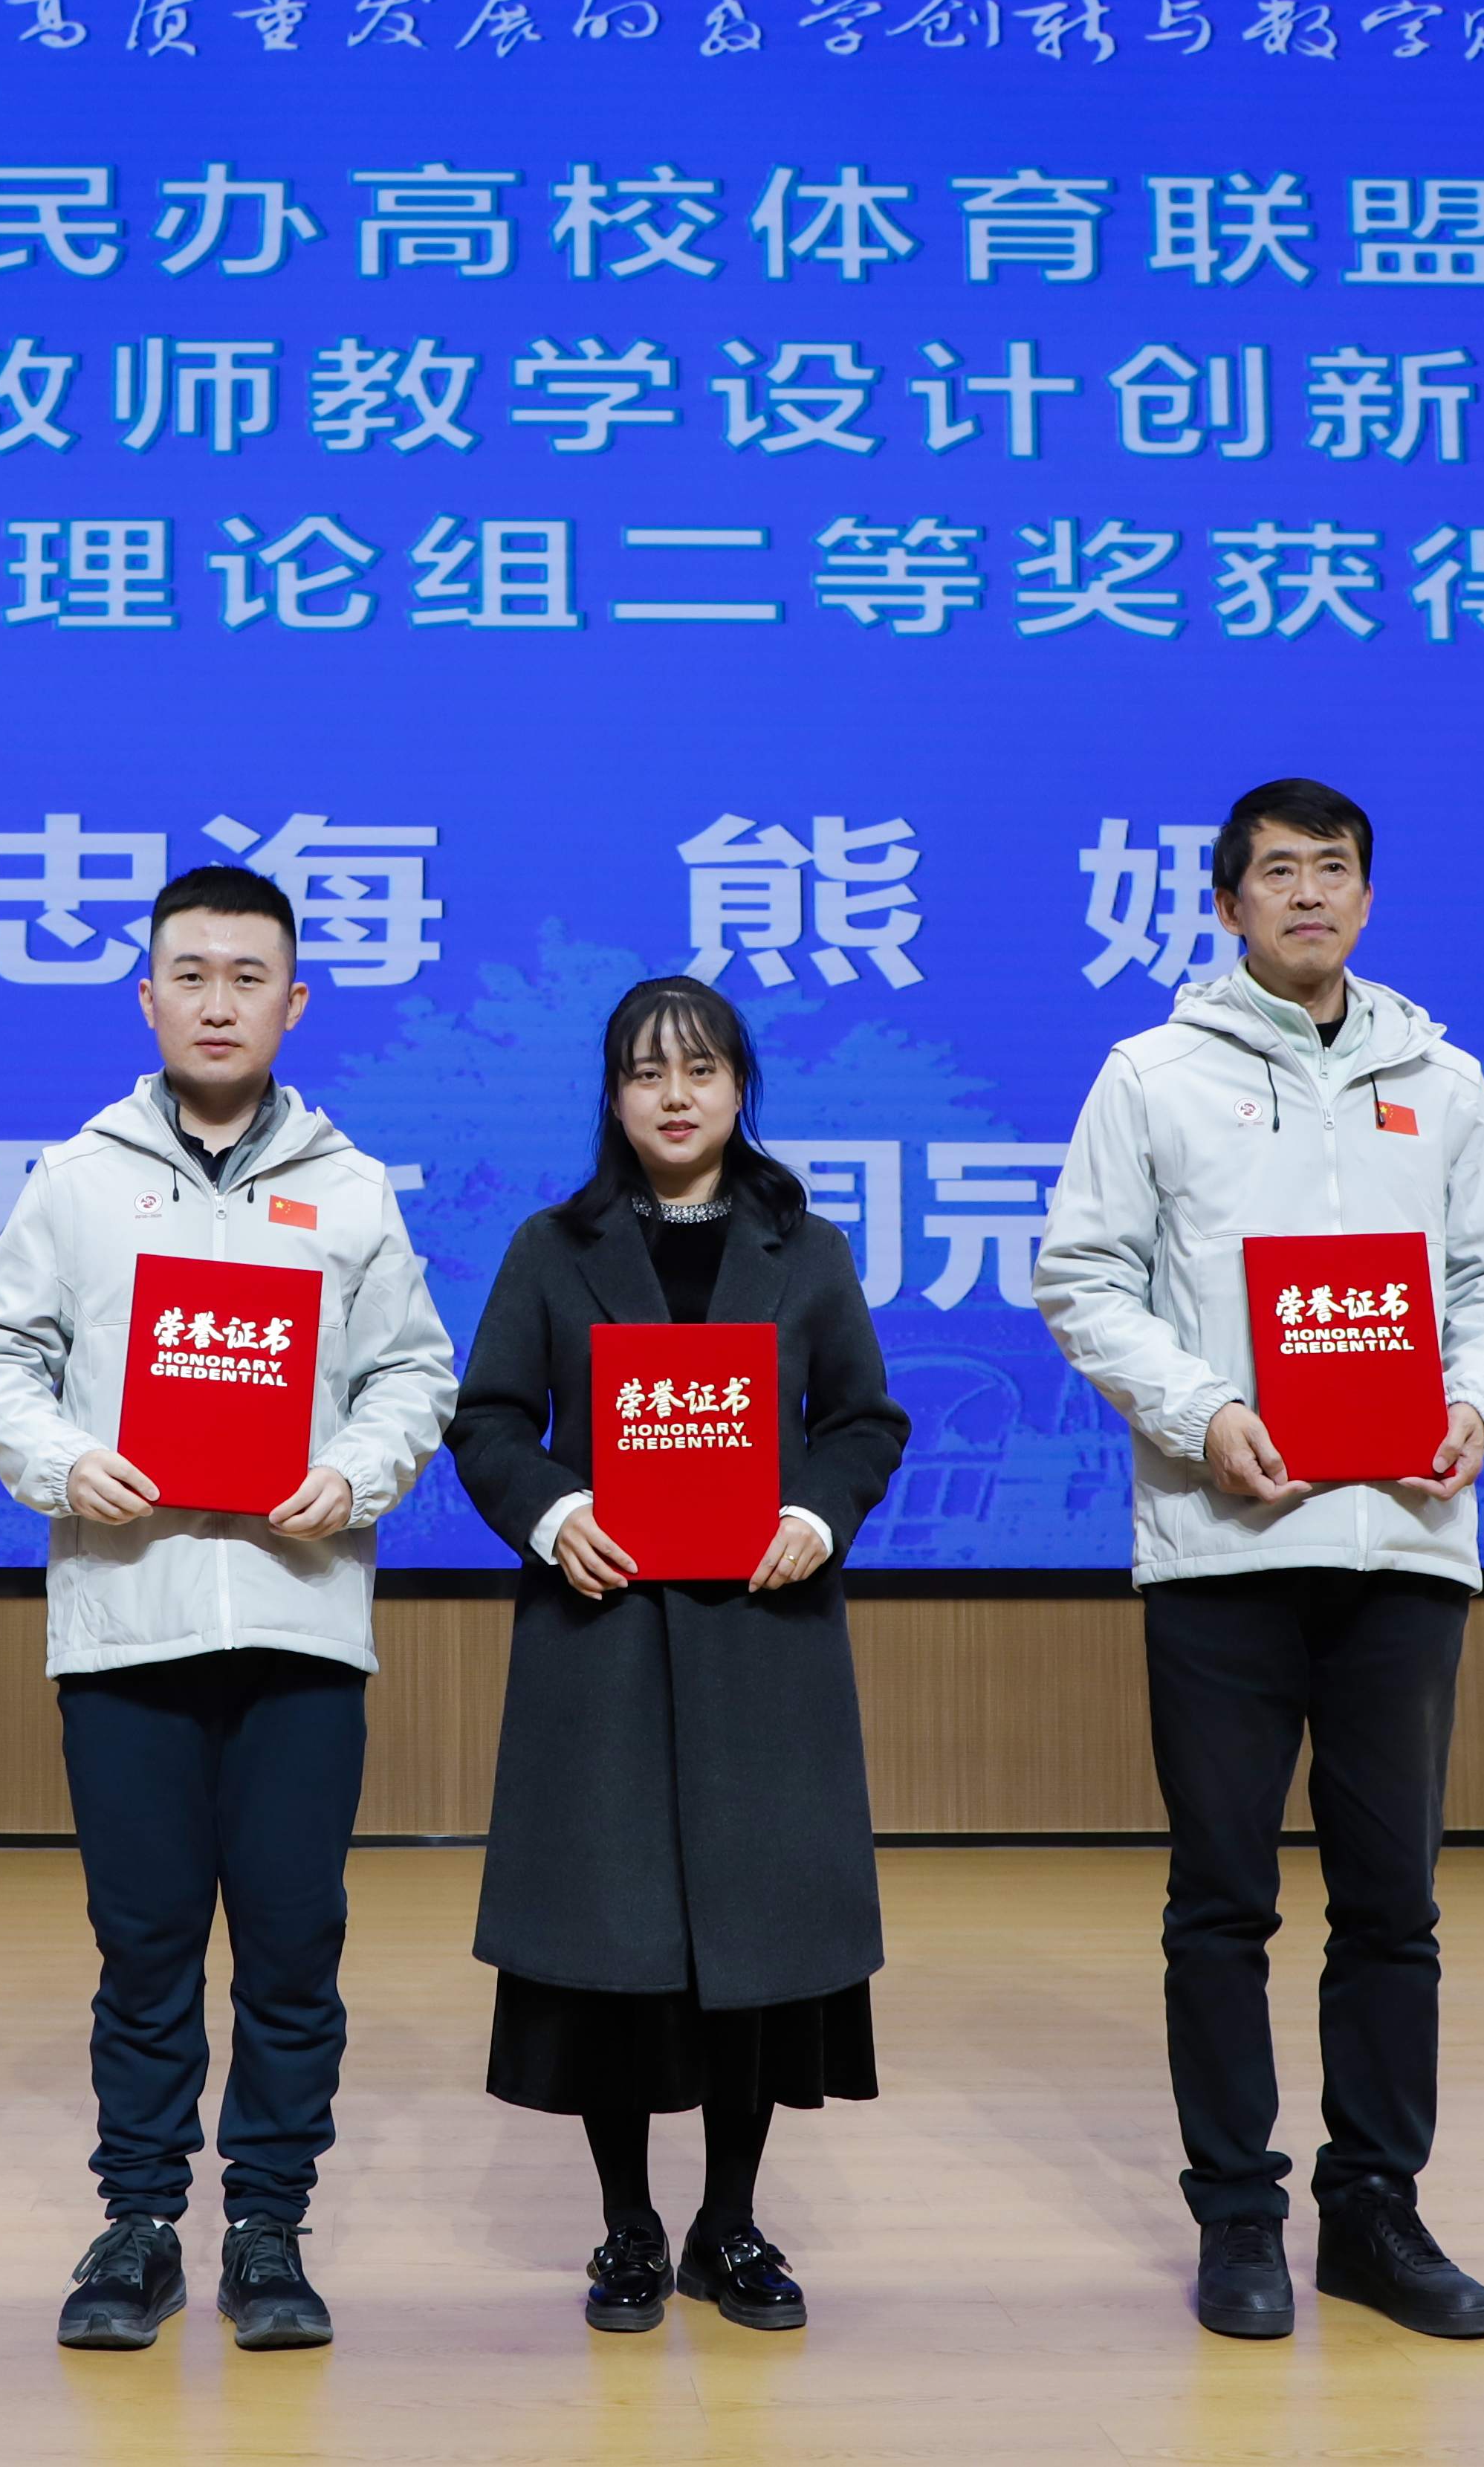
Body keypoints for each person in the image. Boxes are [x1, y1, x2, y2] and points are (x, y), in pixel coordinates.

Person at [1031, 777, 1484, 2345]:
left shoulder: (1441, 1079)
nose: (1306, 893)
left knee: (1392, 1903)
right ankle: (1238, 2218)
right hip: (1222, 1545)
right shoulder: (1152, 1075)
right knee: (1221, 1899)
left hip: (1402, 1540)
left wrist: (1477, 1400)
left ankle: (1374, 2213)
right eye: (1275, 871)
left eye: (1333, 869)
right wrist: (1201, 1413)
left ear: (1367, 900)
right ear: (1225, 905)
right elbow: (1081, 1275)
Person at [0, 863, 456, 2356]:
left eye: (248, 977)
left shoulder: (351, 1188)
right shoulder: (76, 1178)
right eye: (190, 974)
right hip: (128, 1619)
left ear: (294, 1003)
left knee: (293, 1944)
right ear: (147, 997)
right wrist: (63, 1462)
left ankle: (270, 2225)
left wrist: (356, 1472)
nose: (217, 1001)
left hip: (300, 1620)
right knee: (146, 1943)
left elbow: (412, 1373)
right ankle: (139, 2224)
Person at [443, 976, 907, 2334]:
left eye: (701, 1068)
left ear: (739, 1086)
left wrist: (817, 1512)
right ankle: (629, 2226)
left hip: (762, 1641)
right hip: (605, 1643)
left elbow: (864, 1421)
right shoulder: (553, 1245)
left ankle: (731, 2222)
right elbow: (489, 1421)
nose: (676, 1094)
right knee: (616, 1953)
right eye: (647, 1072)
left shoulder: (804, 1245)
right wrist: (554, 1513)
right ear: (613, 1095)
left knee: (753, 1954)